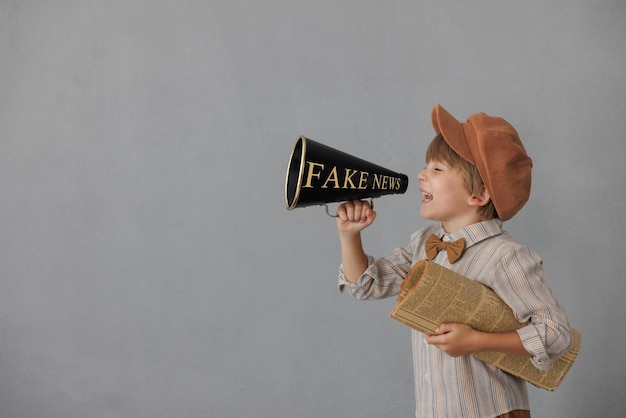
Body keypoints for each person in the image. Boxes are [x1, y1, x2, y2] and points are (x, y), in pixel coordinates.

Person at [336, 104, 572, 418]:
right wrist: (349, 236)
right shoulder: (423, 242)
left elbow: (556, 334)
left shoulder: (507, 256)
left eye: (437, 169)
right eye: (426, 166)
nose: (421, 174)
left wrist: (475, 340)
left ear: (479, 195)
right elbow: (366, 285)